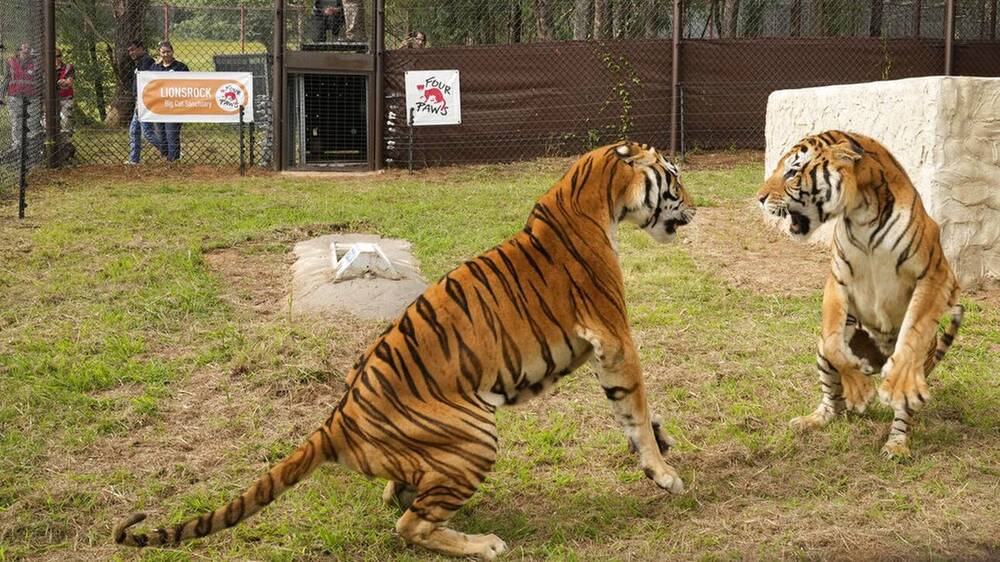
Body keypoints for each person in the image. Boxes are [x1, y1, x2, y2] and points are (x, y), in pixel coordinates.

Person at [125, 40, 164, 164]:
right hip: (140, 100)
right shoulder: (139, 62)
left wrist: (140, 103)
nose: (131, 53)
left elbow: (147, 84)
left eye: (133, 49)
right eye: (129, 51)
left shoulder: (147, 61)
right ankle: (134, 159)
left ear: (141, 48)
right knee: (134, 130)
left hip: (144, 100)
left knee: (147, 132)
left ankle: (170, 151)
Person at [0, 42, 43, 150]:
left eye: (29, 48)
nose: (26, 50)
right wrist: (1, 95)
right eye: (24, 48)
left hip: (32, 96)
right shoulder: (10, 62)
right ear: (19, 49)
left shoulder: (36, 63)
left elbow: (40, 81)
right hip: (15, 96)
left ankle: (32, 147)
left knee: (32, 122)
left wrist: (42, 97)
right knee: (17, 122)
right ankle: (17, 146)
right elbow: (6, 79)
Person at [152, 41, 188, 163]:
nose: (166, 54)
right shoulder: (155, 68)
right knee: (161, 136)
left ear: (172, 52)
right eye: (163, 52)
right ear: (159, 53)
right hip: (159, 107)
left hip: (175, 107)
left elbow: (188, 86)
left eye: (168, 51)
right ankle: (165, 158)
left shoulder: (181, 67)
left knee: (172, 135)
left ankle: (174, 161)